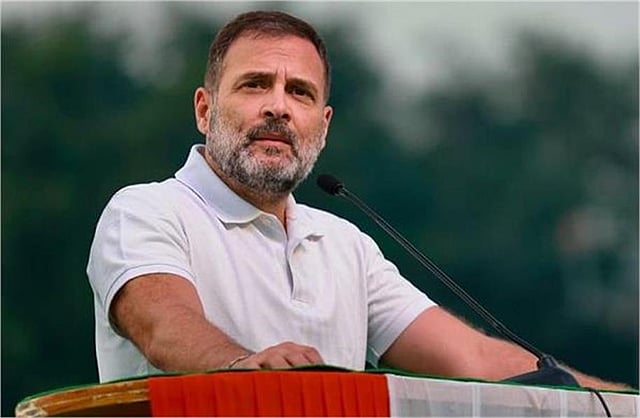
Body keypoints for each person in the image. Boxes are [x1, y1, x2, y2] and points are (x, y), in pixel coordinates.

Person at [87, 10, 626, 390]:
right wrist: (244, 366)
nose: (278, 107)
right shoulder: (145, 211)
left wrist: (614, 400)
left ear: (322, 126)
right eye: (254, 84)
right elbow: (164, 326)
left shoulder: (345, 244)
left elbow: (474, 358)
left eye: (300, 92)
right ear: (205, 110)